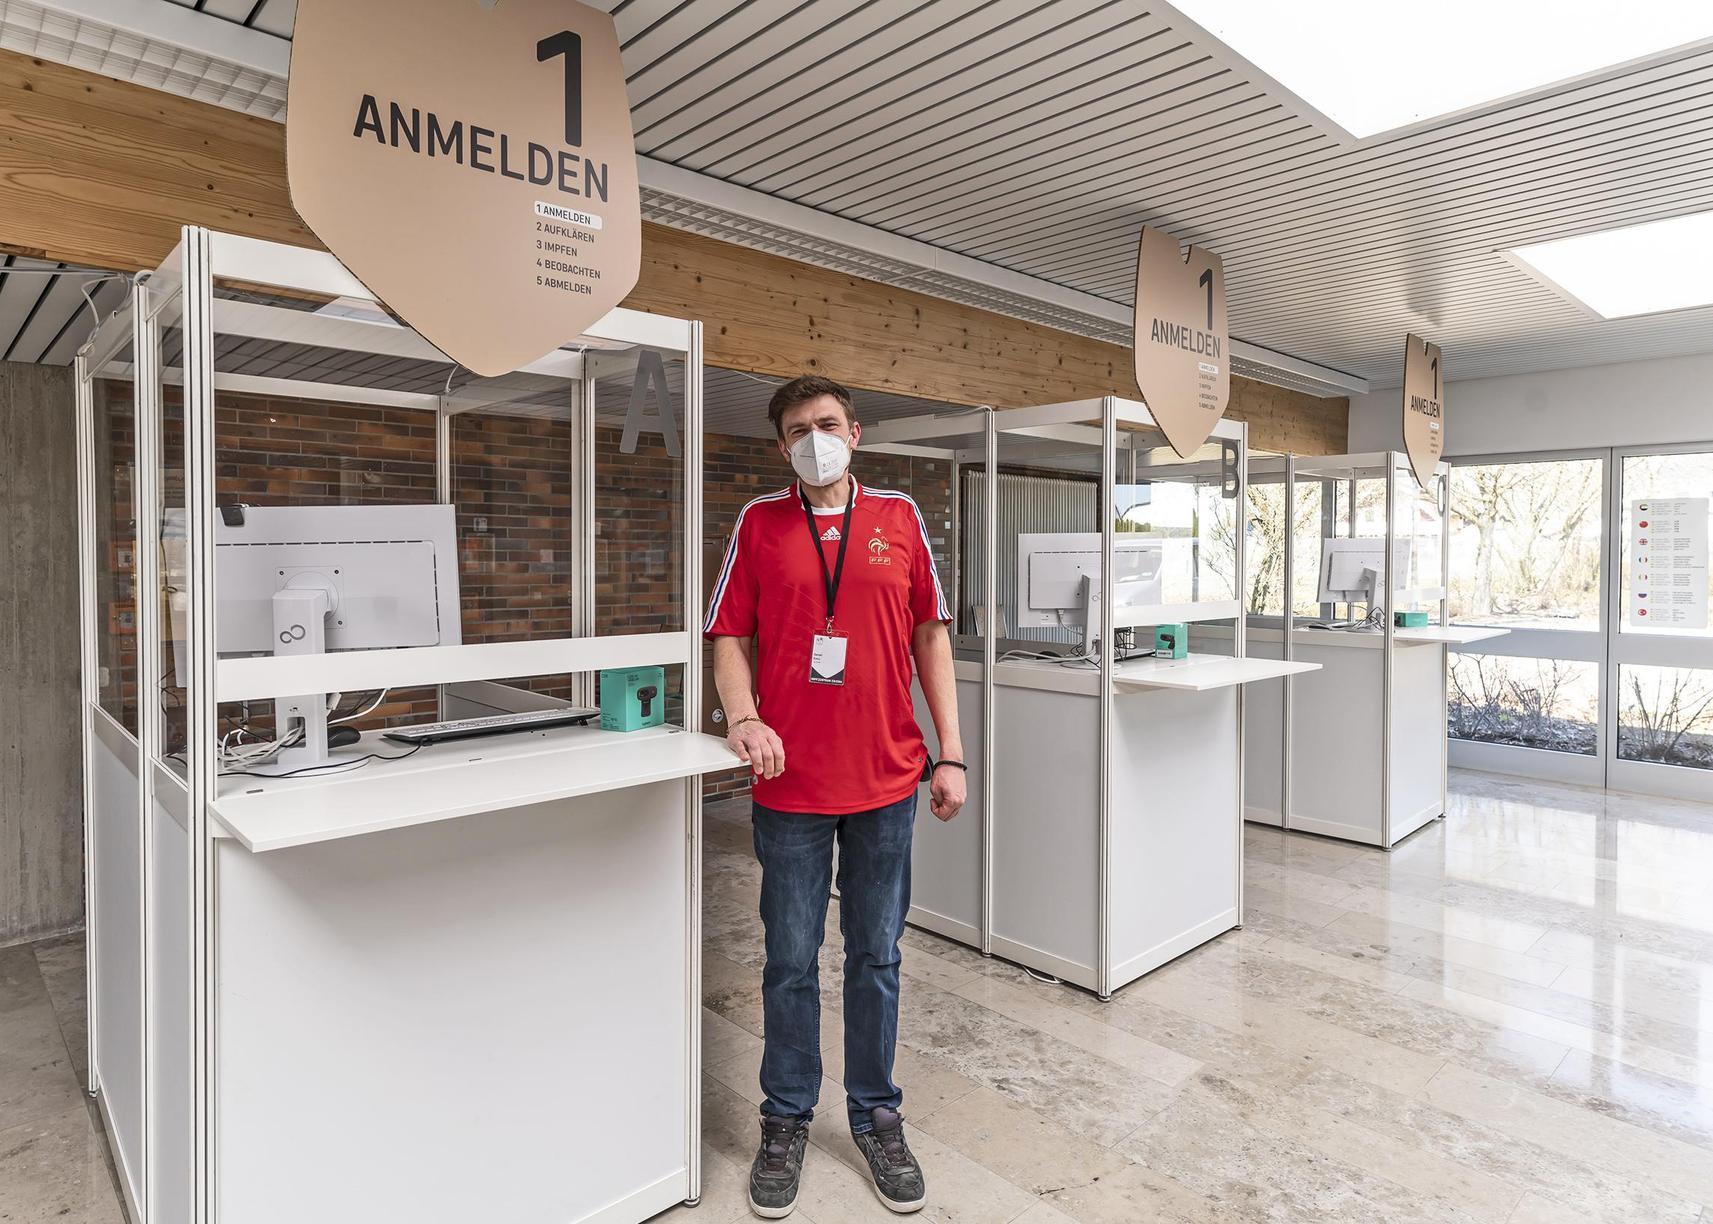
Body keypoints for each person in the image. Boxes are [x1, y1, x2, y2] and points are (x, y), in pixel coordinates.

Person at [704, 374, 967, 1218]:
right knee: (789, 960)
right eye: (796, 429)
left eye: (826, 423)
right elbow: (728, 634)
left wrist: (951, 755)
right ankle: (785, 1117)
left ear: (854, 432)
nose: (813, 439)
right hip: (790, 785)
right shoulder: (759, 522)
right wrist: (743, 716)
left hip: (887, 778)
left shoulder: (898, 516)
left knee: (875, 956)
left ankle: (875, 1114)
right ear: (780, 445)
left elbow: (929, 634)